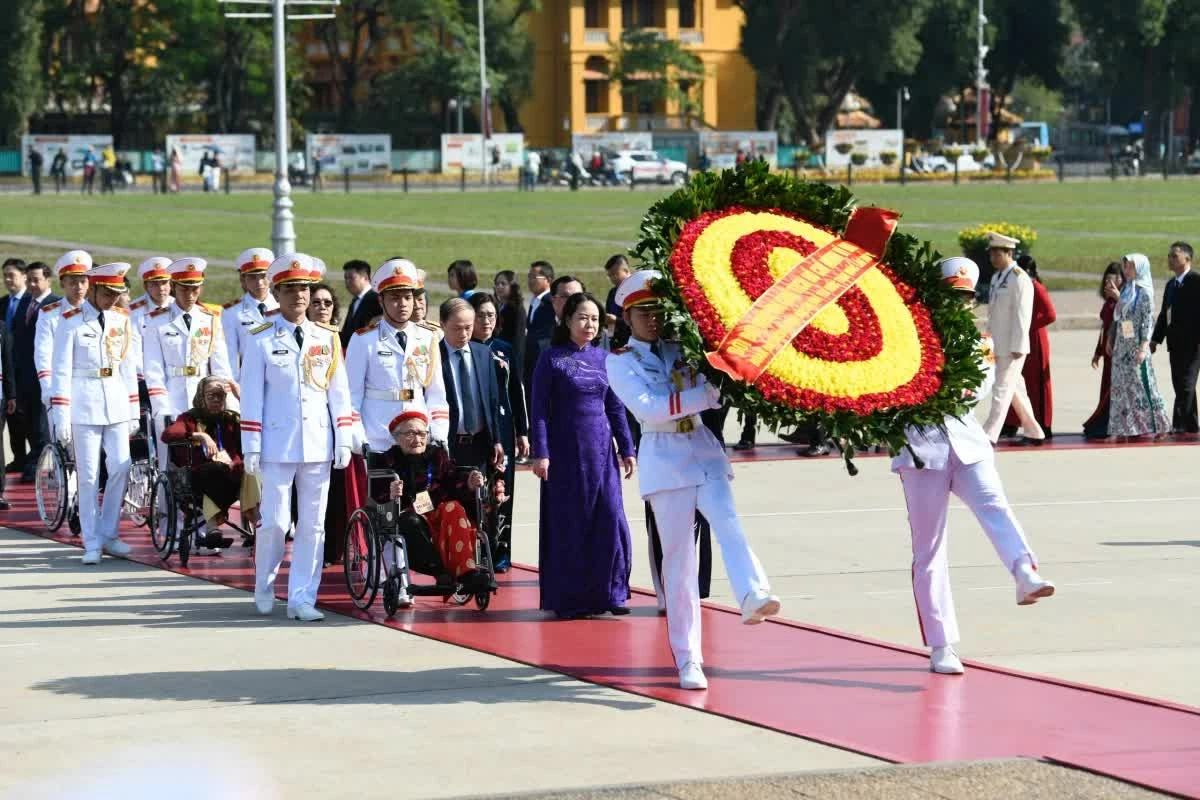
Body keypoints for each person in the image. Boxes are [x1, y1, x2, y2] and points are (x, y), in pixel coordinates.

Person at [606, 271, 780, 690]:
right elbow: (650, 408)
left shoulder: (684, 346)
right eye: (643, 313)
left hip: (702, 447)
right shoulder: (620, 361)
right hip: (664, 457)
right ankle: (688, 658)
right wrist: (705, 395)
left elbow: (716, 383)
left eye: (658, 311)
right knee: (679, 562)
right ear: (627, 317)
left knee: (729, 523)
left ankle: (753, 593)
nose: (653, 319)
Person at [892, 256, 1055, 675]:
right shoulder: (909, 338)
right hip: (921, 449)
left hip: (967, 442)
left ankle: (1024, 572)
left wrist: (944, 380)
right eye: (952, 298)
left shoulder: (978, 341)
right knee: (929, 549)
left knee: (995, 505)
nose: (959, 306)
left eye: (965, 299)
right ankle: (941, 644)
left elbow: (975, 387)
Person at [241, 253, 353, 621]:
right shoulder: (260, 337)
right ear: (276, 293)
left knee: (313, 525)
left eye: (304, 288)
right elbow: (252, 396)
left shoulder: (327, 337)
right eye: (290, 289)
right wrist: (251, 445)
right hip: (276, 443)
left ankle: (302, 597)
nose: (299, 296)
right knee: (275, 522)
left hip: (318, 442)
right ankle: (264, 584)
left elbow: (338, 392)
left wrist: (344, 436)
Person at [530, 291, 635, 618]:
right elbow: (539, 410)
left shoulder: (606, 359)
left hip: (601, 453)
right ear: (567, 320)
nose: (589, 325)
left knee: (609, 516)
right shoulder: (551, 359)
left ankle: (611, 593)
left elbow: (615, 407)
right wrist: (541, 452)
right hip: (565, 454)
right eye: (582, 318)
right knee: (570, 522)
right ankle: (570, 598)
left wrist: (627, 448)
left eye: (595, 319)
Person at [47, 262, 140, 564]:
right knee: (88, 475)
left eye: (116, 294)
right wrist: (61, 414)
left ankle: (109, 532)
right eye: (108, 293)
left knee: (121, 466)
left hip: (116, 400)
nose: (113, 299)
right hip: (83, 403)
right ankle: (91, 540)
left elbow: (127, 368)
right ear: (94, 290)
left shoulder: (121, 320)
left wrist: (134, 410)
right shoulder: (70, 321)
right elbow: (61, 370)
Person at [379, 411, 490, 588]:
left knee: (454, 507)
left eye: (422, 433)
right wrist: (392, 494)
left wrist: (468, 482)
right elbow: (378, 496)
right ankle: (440, 571)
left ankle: (466, 573)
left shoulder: (437, 456)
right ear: (397, 437)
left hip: (437, 511)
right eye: (410, 434)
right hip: (410, 513)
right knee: (409, 521)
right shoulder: (389, 461)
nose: (417, 439)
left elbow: (452, 478)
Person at [142, 257, 236, 465]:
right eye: (185, 289)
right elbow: (153, 369)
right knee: (170, 461)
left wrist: (226, 401)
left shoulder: (210, 319)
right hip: (172, 394)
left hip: (204, 394)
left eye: (195, 289)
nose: (190, 294)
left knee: (209, 457)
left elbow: (220, 366)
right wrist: (161, 407)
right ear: (174, 287)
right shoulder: (156, 320)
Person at [161, 377, 261, 552]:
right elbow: (168, 434)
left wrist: (241, 398)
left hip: (233, 475)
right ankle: (212, 527)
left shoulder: (231, 418)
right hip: (201, 475)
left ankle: (258, 523)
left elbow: (256, 424)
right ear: (201, 396)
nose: (216, 399)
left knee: (251, 471)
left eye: (220, 395)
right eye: (211, 395)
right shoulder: (189, 418)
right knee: (213, 471)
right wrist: (201, 436)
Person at [469, 292, 528, 572]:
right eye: (480, 315)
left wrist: (522, 431)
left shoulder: (504, 349)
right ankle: (475, 550)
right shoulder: (463, 348)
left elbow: (516, 390)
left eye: (491, 315)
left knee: (503, 489)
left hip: (504, 428)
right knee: (477, 489)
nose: (486, 321)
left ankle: (501, 551)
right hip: (476, 429)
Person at [981, 232, 1045, 445]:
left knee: (1001, 390)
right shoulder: (998, 277)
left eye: (996, 254)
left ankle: (989, 435)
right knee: (1015, 389)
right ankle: (1034, 432)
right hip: (996, 343)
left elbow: (1022, 314)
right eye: (991, 254)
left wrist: (1018, 344)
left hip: (1012, 346)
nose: (992, 258)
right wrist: (987, 342)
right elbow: (993, 314)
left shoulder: (1019, 278)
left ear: (1008, 253)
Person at [438, 299, 506, 479]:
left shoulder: (483, 353)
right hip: (448, 446)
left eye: (468, 327)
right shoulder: (433, 356)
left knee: (480, 495)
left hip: (480, 446)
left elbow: (492, 401)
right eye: (457, 328)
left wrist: (497, 440)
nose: (463, 334)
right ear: (442, 324)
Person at [1109, 254, 1171, 439]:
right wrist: (1115, 340)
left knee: (1145, 386)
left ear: (1141, 269)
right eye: (1126, 266)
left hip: (1137, 347)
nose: (1126, 270)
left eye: (1131, 267)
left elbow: (1147, 322)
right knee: (1122, 387)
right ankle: (1126, 428)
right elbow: (1124, 317)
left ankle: (1162, 425)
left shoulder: (1145, 292)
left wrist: (1143, 347)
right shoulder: (1128, 288)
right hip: (1123, 346)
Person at [1002, 255, 1056, 438]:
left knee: (1035, 384)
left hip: (1035, 340)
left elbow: (1050, 314)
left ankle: (1042, 423)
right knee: (1015, 380)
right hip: (1019, 338)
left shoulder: (1036, 287)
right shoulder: (1017, 286)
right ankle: (1011, 421)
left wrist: (1026, 326)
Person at [1151, 242, 1200, 434]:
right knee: (1180, 384)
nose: (1170, 259)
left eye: (1174, 256)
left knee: (1186, 384)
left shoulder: (1196, 281)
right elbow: (1165, 314)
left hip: (1194, 344)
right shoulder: (1171, 285)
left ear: (1187, 259)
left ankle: (1179, 424)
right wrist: (1156, 339)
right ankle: (1191, 424)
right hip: (1175, 344)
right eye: (1169, 256)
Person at [14, 261, 54, 482]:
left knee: (42, 425)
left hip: (44, 376)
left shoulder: (55, 305)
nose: (31, 284)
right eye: (28, 280)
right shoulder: (25, 303)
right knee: (28, 423)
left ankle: (38, 465)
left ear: (48, 280)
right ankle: (35, 460)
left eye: (36, 280)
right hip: (24, 375)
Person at [222, 247, 279, 380]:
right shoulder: (232, 312)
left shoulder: (283, 305)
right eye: (252, 277)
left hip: (279, 376)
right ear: (243, 279)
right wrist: (234, 382)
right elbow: (230, 352)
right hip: (249, 376)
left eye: (263, 276)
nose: (259, 282)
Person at [1083, 263, 1123, 439]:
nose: (1108, 282)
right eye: (1106, 279)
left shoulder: (1123, 301)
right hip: (1107, 352)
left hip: (1117, 351)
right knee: (1107, 387)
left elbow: (1128, 326)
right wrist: (1098, 352)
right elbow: (1103, 329)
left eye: (1112, 278)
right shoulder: (1109, 302)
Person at [2, 259, 28, 476]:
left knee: (30, 418)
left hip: (27, 369)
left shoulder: (32, 302)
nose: (8, 280)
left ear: (24, 276)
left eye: (12, 275)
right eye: (5, 276)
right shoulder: (2, 303)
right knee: (11, 418)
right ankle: (19, 458)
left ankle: (33, 463)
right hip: (7, 371)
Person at [523, 261, 555, 404]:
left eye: (534, 277)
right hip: (532, 356)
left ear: (548, 280)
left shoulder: (551, 301)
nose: (530, 281)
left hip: (543, 354)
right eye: (529, 277)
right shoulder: (535, 300)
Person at [340, 259, 381, 348]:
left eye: (351, 278)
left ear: (365, 278)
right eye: (345, 278)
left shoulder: (376, 299)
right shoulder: (355, 300)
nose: (347, 282)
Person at [493, 270, 527, 360]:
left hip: (509, 356)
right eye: (497, 284)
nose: (499, 286)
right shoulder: (497, 306)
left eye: (503, 284)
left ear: (512, 286)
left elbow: (518, 340)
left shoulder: (517, 309)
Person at [603, 254, 633, 349]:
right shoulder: (612, 293)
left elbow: (640, 322)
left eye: (615, 274)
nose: (612, 279)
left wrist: (617, 321)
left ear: (626, 271)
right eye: (610, 276)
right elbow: (609, 322)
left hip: (633, 344)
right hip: (616, 344)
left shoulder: (637, 290)